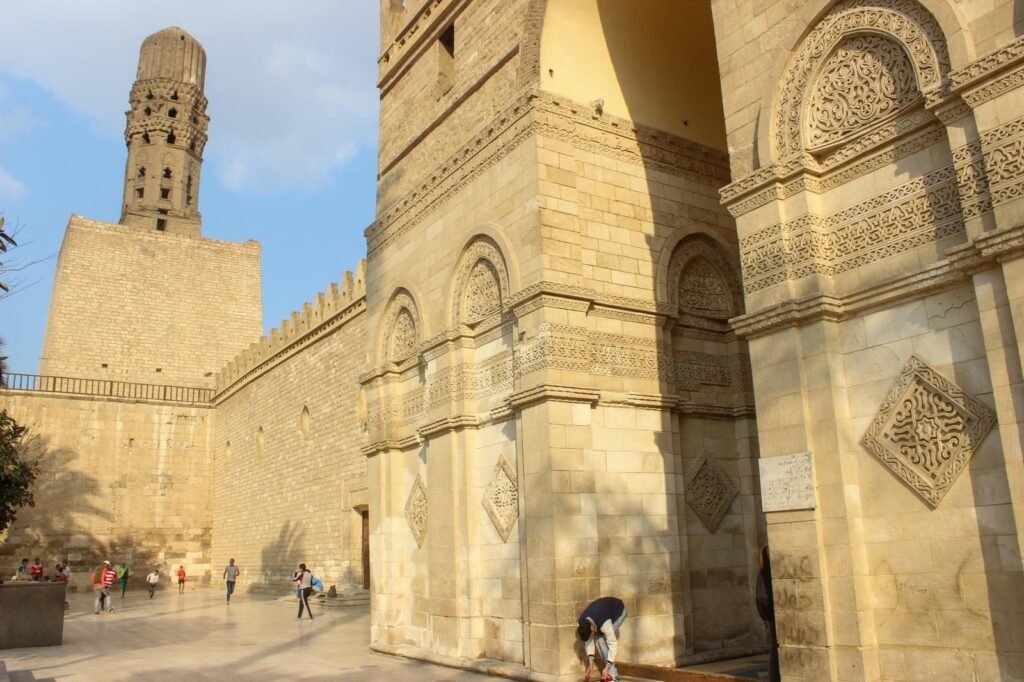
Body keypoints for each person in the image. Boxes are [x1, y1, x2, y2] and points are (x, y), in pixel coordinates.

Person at [577, 596, 627, 682]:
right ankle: (609, 672)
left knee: (601, 641)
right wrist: (591, 663)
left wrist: (607, 666)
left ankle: (613, 676)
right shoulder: (582, 623)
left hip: (619, 611)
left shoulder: (603, 623)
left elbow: (613, 644)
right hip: (602, 613)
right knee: (599, 640)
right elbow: (589, 641)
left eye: (592, 633)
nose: (592, 635)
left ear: (592, 629)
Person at [756, 546, 780, 682]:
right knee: (776, 647)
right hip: (773, 614)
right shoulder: (767, 573)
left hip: (770, 614)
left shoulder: (764, 572)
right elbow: (763, 597)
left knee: (774, 647)